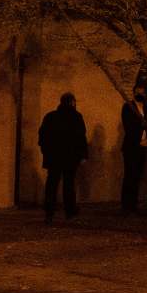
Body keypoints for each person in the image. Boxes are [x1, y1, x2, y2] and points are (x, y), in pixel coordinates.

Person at [38, 92, 88, 224]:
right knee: (68, 184)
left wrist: (46, 152)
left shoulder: (50, 117)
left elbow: (42, 137)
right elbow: (81, 138)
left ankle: (49, 212)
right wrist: (82, 155)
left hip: (54, 157)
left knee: (52, 184)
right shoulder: (76, 117)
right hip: (70, 157)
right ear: (72, 102)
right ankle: (69, 211)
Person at [120, 85, 147, 214]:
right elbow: (128, 126)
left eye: (143, 92)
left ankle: (133, 204)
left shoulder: (146, 108)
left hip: (143, 146)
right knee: (130, 175)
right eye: (139, 92)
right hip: (132, 146)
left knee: (137, 175)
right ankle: (126, 205)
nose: (141, 94)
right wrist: (140, 140)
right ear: (134, 93)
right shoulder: (128, 107)